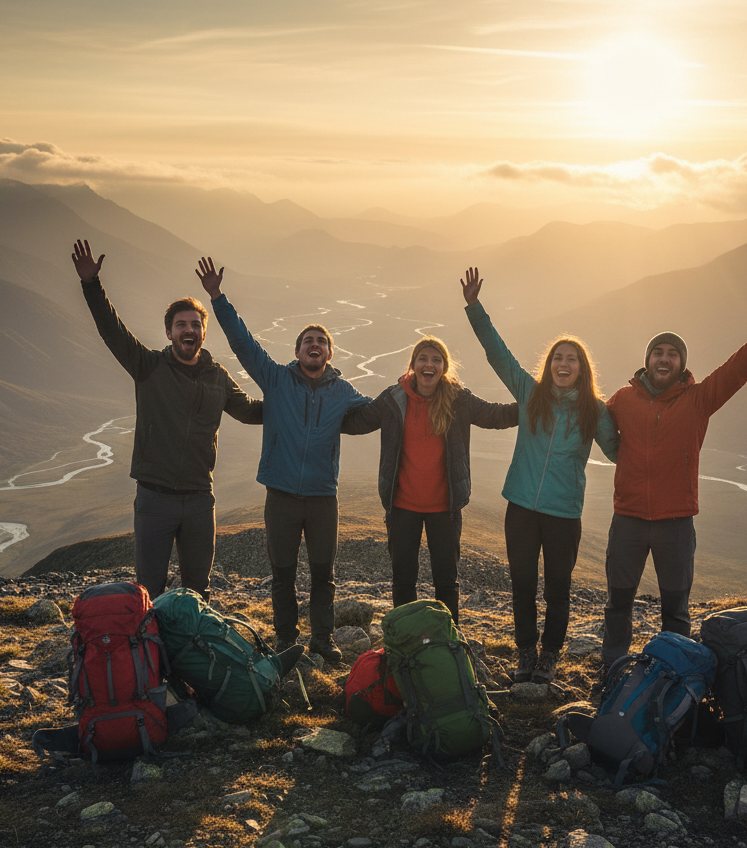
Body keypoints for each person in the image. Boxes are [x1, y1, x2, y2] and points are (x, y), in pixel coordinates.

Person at [600, 284, 747, 670]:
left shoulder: (699, 399)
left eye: (672, 354)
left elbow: (741, 366)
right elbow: (589, 420)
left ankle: (675, 676)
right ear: (647, 360)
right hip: (628, 520)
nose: (663, 359)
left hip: (676, 523)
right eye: (657, 352)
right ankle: (612, 668)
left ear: (682, 364)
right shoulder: (622, 399)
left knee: (676, 609)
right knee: (619, 602)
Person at [196, 257, 370, 663]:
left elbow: (376, 413)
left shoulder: (343, 391)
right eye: (308, 340)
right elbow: (244, 343)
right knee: (284, 575)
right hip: (282, 495)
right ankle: (287, 641)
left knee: (323, 575)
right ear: (297, 351)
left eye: (321, 341)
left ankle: (322, 641)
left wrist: (410, 390)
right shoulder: (275, 379)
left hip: (323, 496)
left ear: (329, 352)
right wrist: (218, 298)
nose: (314, 345)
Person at [71, 239, 263, 599]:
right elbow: (112, 330)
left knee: (197, 591)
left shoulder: (217, 376)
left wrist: (295, 395)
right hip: (154, 498)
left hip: (199, 499)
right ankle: (151, 655)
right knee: (150, 589)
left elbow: (252, 411)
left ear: (204, 332)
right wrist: (91, 285)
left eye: (194, 324)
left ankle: (189, 652)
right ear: (168, 332)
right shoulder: (149, 367)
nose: (188, 330)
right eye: (180, 325)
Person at [461, 267, 618, 684]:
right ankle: (526, 653)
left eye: (572, 359)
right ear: (549, 366)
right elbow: (499, 355)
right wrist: (475, 308)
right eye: (558, 358)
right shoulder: (530, 394)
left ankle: (550, 656)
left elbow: (620, 451)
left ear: (582, 370)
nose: (563, 364)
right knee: (523, 584)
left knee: (558, 591)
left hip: (564, 512)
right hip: (522, 507)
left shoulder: (595, 412)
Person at [342, 336, 518, 622]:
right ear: (413, 365)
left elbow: (496, 415)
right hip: (402, 507)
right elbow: (357, 422)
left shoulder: (458, 399)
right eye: (423, 358)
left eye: (437, 360)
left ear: (444, 367)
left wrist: (538, 403)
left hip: (445, 509)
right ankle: (405, 640)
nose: (429, 364)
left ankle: (448, 642)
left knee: (446, 582)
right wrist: (315, 413)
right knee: (403, 581)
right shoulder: (393, 399)